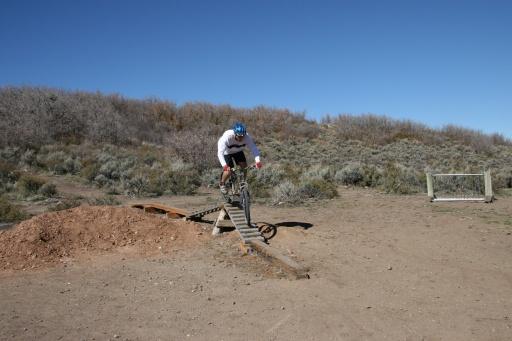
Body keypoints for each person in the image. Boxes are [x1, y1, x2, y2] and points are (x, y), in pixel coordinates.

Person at [217, 122, 262, 194]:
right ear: (235, 133)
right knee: (228, 171)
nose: (241, 138)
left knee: (244, 167)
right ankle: (222, 184)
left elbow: (253, 148)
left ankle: (242, 183)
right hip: (227, 152)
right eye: (239, 136)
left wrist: (258, 161)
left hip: (238, 151)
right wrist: (225, 166)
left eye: (242, 136)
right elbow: (220, 153)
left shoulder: (247, 137)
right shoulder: (227, 137)